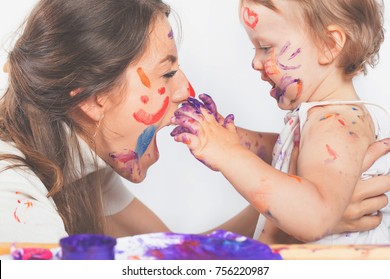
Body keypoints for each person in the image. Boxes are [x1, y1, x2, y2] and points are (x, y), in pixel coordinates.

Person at [0, 0, 388, 244]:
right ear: (93, 99)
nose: (187, 89)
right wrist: (297, 216)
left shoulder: (82, 166)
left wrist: (297, 201)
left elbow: (175, 254)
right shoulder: (12, 198)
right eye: (167, 74)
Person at [171, 0, 390, 244]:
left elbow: (314, 217)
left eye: (265, 47)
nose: (255, 62)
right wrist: (234, 137)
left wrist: (228, 153)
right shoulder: (321, 120)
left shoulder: (334, 125)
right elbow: (287, 150)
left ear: (328, 45)